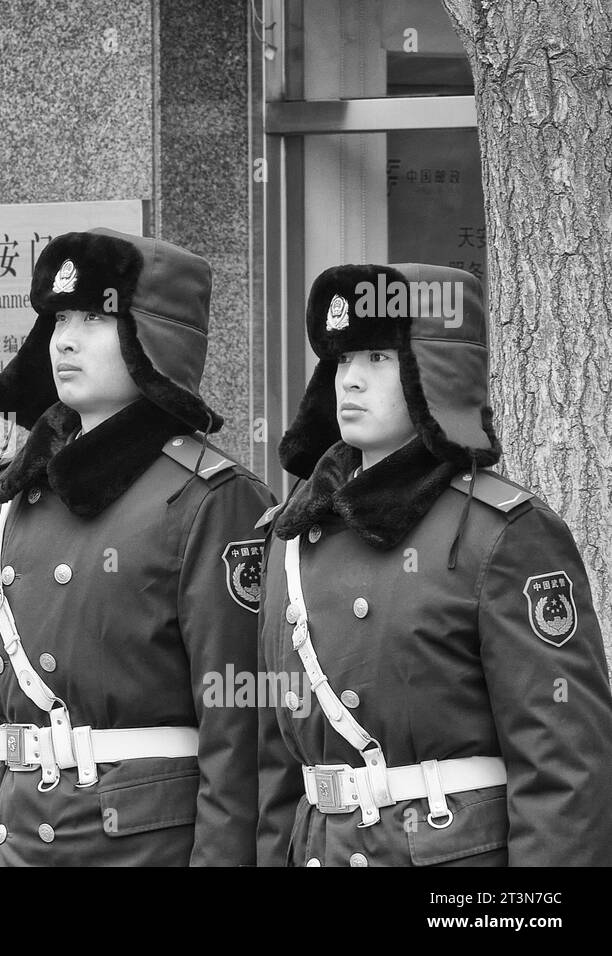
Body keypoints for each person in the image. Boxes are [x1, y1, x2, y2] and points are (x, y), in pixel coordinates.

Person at [256, 262, 612, 866]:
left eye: (378, 358)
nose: (351, 382)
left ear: (432, 372)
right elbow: (274, 760)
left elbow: (564, 762)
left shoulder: (502, 534)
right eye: (342, 360)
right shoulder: (288, 535)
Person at [0, 229, 274, 865]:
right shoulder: (10, 493)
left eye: (95, 317)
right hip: (18, 837)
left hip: (137, 845)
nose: (65, 339)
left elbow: (239, 733)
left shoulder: (213, 499)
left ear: (150, 338)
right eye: (58, 318)